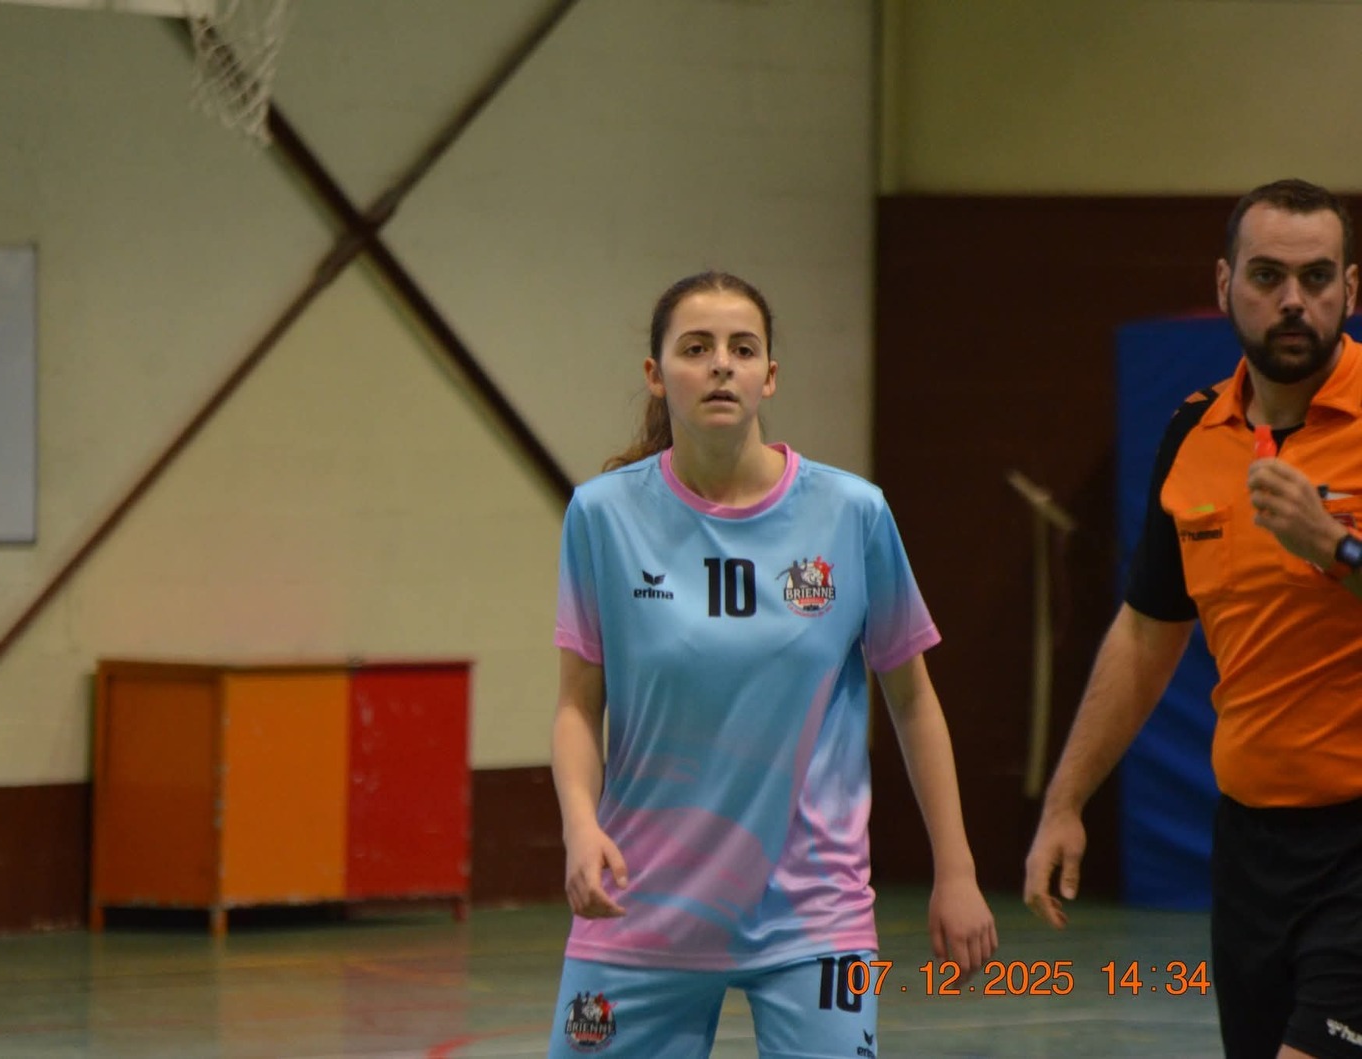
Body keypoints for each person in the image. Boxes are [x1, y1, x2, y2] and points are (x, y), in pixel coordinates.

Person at [548, 271, 996, 1058]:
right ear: (656, 374)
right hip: (638, 903)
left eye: (742, 348)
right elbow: (579, 704)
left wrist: (955, 871)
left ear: (770, 375)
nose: (721, 364)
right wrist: (580, 828)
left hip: (812, 912)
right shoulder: (602, 515)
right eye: (696, 348)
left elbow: (912, 700)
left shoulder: (852, 513)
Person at [1023, 179, 1362, 1059]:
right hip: (1250, 846)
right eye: (1268, 275)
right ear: (1224, 284)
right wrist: (1066, 800)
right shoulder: (1192, 433)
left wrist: (1337, 548)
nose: (1294, 300)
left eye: (1317, 276)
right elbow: (1147, 629)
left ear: (1350, 289)